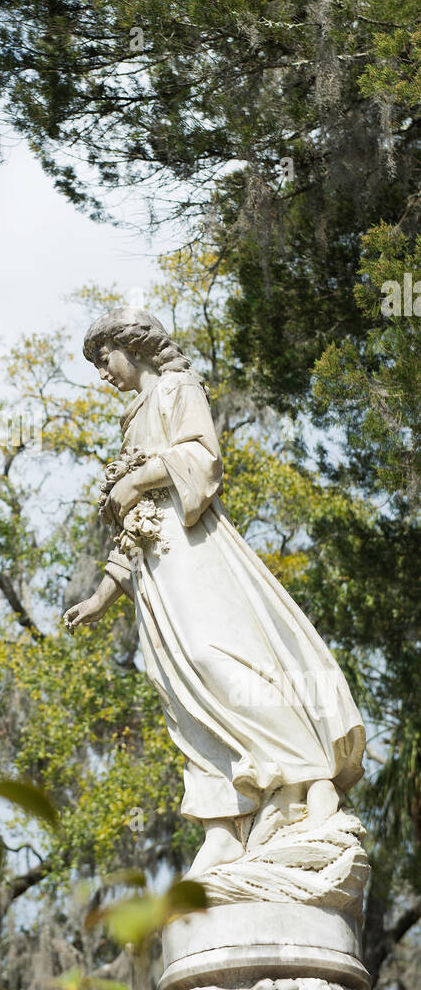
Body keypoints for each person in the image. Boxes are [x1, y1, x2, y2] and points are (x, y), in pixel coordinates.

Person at [63, 307, 365, 878]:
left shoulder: (176, 387)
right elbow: (137, 524)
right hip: (155, 567)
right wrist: (104, 594)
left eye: (104, 360)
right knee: (182, 690)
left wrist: (134, 478)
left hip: (191, 549)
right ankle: (223, 823)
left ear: (133, 347)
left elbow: (203, 458)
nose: (102, 374)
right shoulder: (131, 420)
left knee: (214, 658)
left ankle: (307, 776)